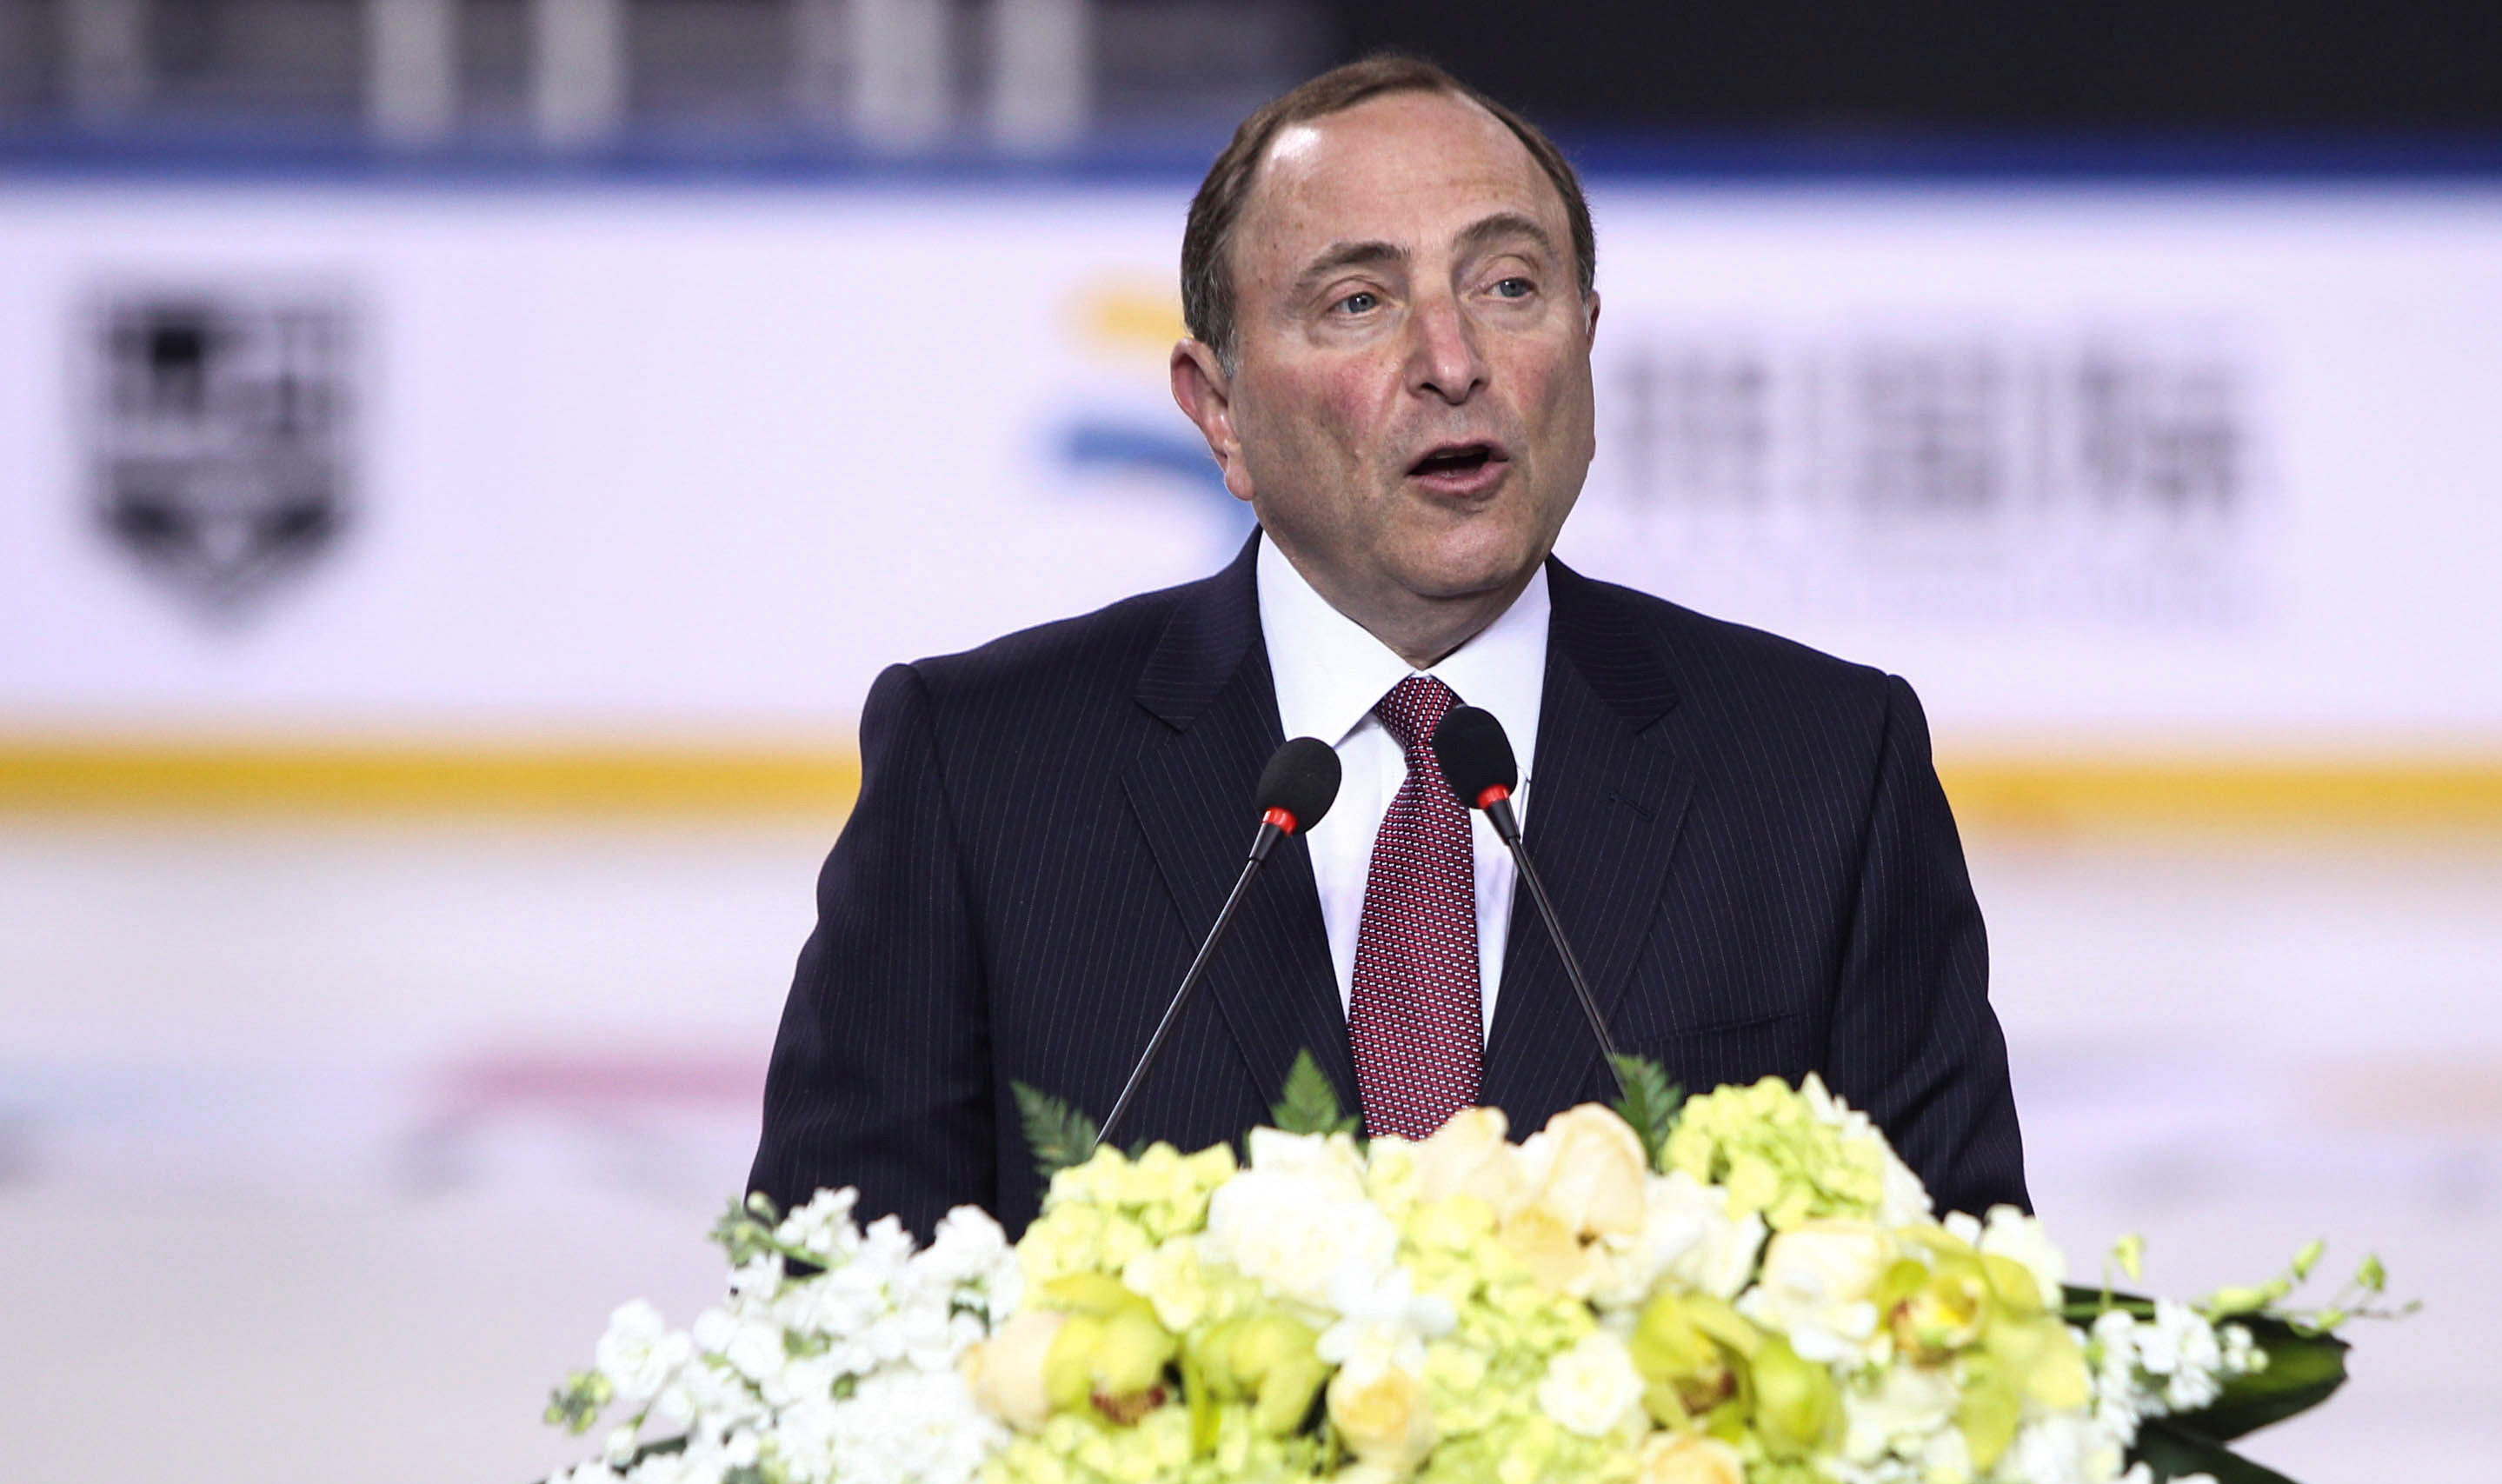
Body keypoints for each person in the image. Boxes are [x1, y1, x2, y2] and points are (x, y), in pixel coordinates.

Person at [749, 56, 2026, 1247]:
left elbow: (1963, 1309)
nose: (1453, 362)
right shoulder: (983, 771)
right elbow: (831, 1324)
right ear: (1218, 411)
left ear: (1586, 338)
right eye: (1358, 302)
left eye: (1508, 286)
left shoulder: (1819, 768)